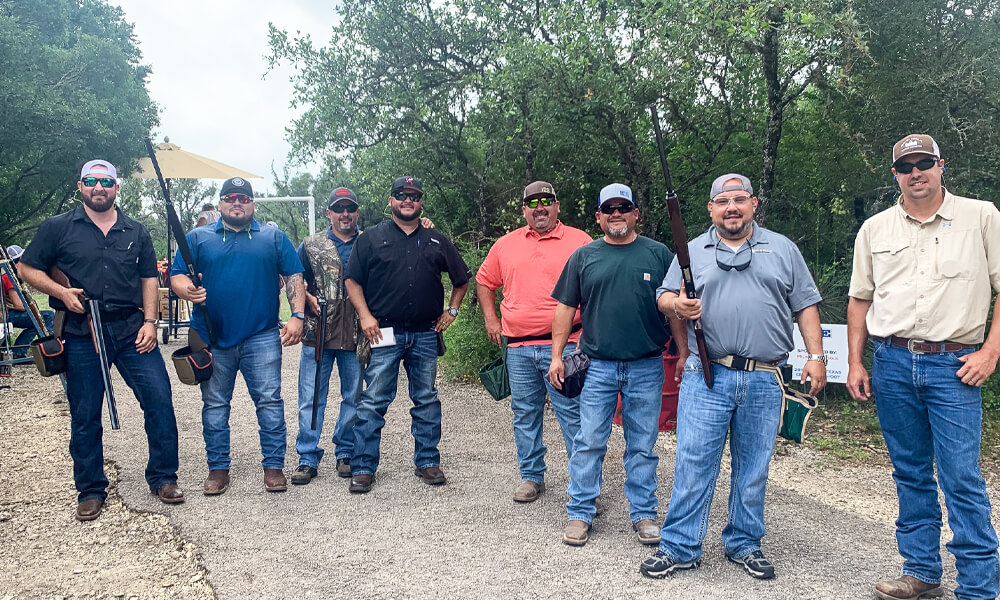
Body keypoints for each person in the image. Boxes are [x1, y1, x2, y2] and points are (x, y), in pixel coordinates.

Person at [640, 173, 826, 581]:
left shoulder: (782, 249)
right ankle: (680, 546)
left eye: (740, 199)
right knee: (693, 461)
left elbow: (806, 304)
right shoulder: (691, 251)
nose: (732, 208)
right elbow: (663, 297)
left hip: (764, 377)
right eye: (723, 201)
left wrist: (816, 356)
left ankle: (744, 542)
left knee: (754, 466)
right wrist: (678, 304)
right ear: (711, 208)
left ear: (753, 204)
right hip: (708, 374)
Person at [847, 135, 1000, 600]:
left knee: (960, 475)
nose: (916, 172)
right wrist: (855, 361)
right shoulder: (875, 228)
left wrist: (991, 352)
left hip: (955, 365)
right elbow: (860, 299)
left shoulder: (981, 217)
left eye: (925, 163)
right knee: (910, 471)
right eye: (906, 165)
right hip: (892, 362)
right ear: (894, 173)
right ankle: (921, 571)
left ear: (941, 166)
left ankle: (978, 586)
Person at [18, 159, 183, 521]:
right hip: (81, 331)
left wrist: (151, 322)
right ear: (80, 186)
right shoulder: (57, 228)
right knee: (85, 412)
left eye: (106, 181)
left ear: (116, 188)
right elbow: (27, 268)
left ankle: (163, 477)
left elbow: (148, 280)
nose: (99, 187)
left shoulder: (135, 230)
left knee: (159, 399)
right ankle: (91, 489)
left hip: (131, 329)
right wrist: (60, 293)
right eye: (91, 181)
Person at [548, 183, 673, 547]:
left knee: (643, 444)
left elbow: (676, 306)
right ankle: (580, 512)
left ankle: (644, 513)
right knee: (589, 441)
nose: (616, 214)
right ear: (599, 217)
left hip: (647, 365)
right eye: (609, 209)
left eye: (624, 208)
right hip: (597, 365)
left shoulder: (658, 254)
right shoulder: (584, 256)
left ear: (636, 213)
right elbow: (565, 308)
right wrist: (557, 356)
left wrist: (684, 354)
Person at [171, 177, 305, 495]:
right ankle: (218, 470)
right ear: (220, 205)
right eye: (230, 197)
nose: (237, 202)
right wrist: (187, 290)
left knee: (270, 403)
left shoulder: (272, 236)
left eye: (244, 198)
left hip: (261, 335)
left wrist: (297, 316)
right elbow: (175, 275)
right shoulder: (197, 238)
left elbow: (294, 275)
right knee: (215, 406)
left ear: (253, 205)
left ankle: (274, 468)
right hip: (212, 337)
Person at [344, 176, 471, 493]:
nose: (407, 200)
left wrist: (451, 310)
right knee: (373, 400)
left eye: (413, 196)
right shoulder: (371, 238)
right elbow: (352, 281)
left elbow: (462, 278)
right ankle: (362, 467)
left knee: (426, 399)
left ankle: (428, 461)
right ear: (391, 201)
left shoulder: (436, 239)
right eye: (401, 195)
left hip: (425, 333)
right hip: (383, 331)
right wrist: (365, 316)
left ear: (420, 202)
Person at [476, 181, 592, 503]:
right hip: (518, 348)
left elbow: (597, 288)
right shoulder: (505, 245)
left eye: (546, 201)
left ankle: (583, 485)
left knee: (573, 415)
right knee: (524, 413)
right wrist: (490, 319)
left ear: (557, 206)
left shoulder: (581, 242)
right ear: (524, 209)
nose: (539, 207)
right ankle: (531, 476)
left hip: (568, 345)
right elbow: (484, 282)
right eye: (532, 202)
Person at [291, 188, 364, 484]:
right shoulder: (311, 245)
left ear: (357, 212)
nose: (345, 213)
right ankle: (307, 456)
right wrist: (305, 295)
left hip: (358, 332)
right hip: (318, 332)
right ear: (329, 213)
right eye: (339, 208)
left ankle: (345, 450)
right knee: (310, 397)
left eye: (350, 208)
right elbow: (294, 277)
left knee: (355, 396)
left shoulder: (370, 241)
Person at [3, 244, 55, 357]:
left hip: (8, 313)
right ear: (21, 259)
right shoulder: (9, 277)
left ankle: (19, 351)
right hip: (8, 314)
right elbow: (18, 305)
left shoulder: (9, 275)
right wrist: (33, 310)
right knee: (48, 316)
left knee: (37, 320)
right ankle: (49, 347)